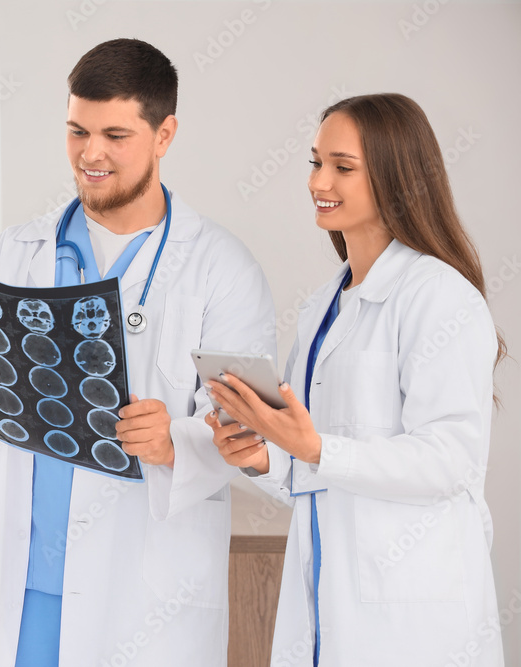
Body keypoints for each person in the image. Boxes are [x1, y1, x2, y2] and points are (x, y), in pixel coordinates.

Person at [0, 39, 276, 666]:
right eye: (77, 131)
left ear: (164, 134)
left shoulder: (221, 269)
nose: (90, 153)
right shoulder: (15, 255)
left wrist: (176, 440)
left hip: (144, 596)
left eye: (115, 134)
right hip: (26, 588)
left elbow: (252, 429)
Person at [206, 93, 507, 666]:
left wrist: (311, 446)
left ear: (397, 179)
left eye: (343, 167)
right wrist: (261, 455)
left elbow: (449, 461)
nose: (320, 180)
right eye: (316, 162)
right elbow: (316, 468)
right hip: (326, 610)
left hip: (412, 623)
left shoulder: (440, 297)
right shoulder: (326, 305)